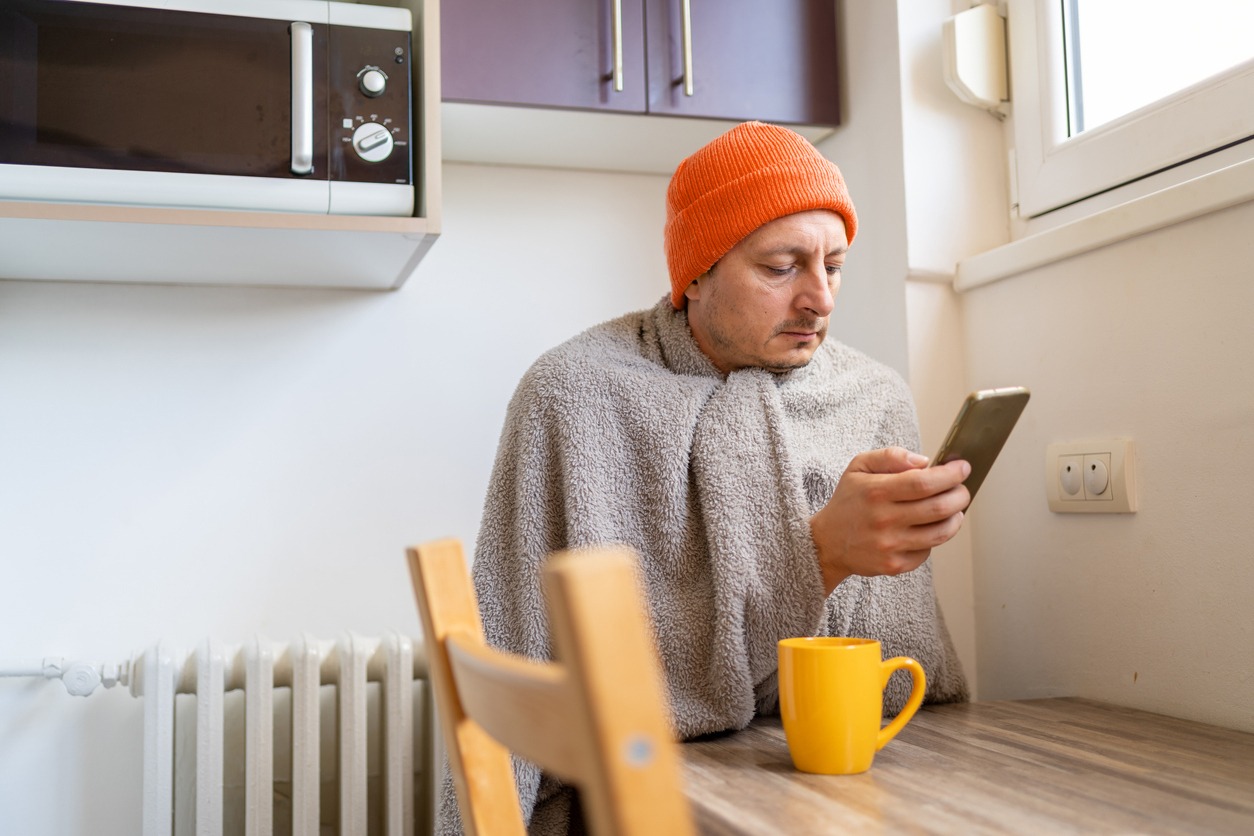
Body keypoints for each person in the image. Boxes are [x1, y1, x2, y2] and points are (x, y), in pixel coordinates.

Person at [442, 122, 971, 836]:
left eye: (835, 265)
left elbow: (905, 672)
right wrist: (819, 556)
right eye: (782, 267)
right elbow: (518, 652)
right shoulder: (572, 396)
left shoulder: (874, 399)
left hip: (838, 790)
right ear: (694, 274)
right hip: (630, 802)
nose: (821, 298)